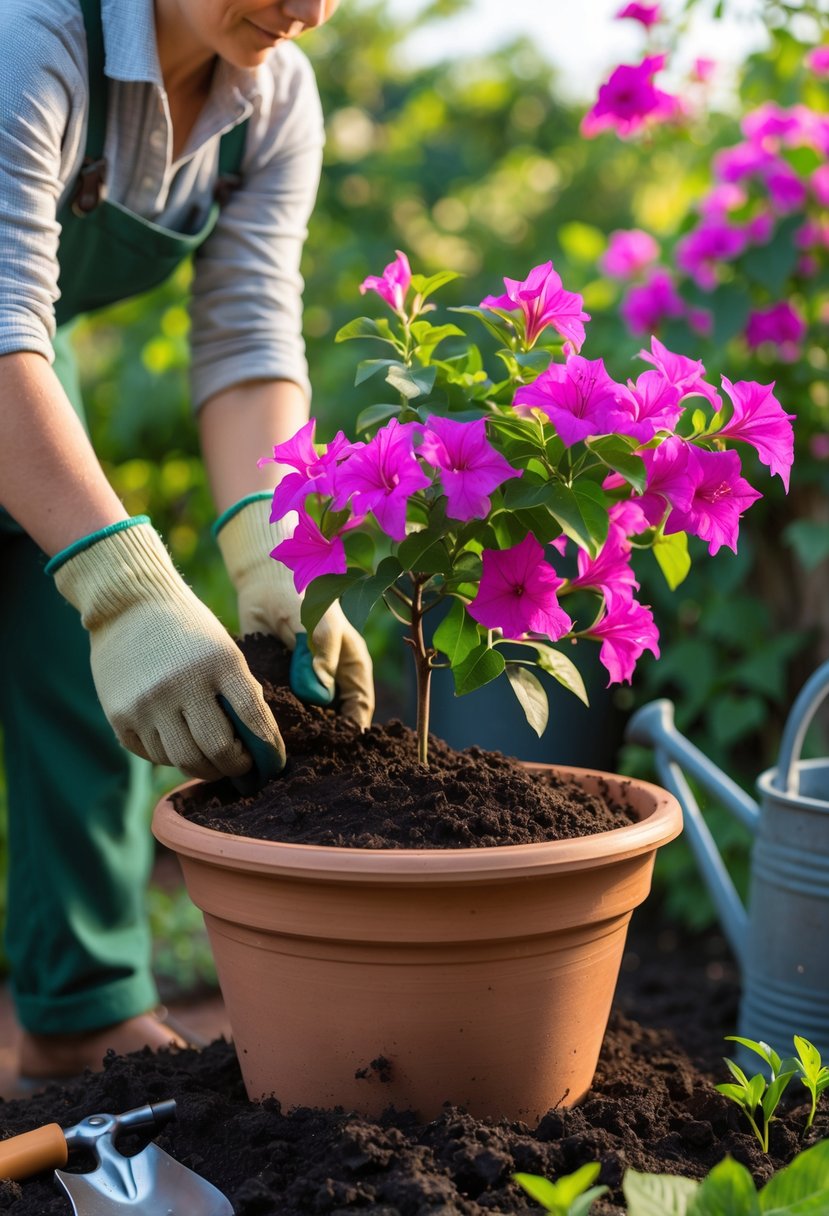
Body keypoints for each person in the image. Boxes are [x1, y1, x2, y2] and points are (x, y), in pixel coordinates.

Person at [0, 0, 373, 1089]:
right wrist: (124, 586)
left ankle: (84, 1011)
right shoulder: (33, 34)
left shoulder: (268, 99)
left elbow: (249, 336)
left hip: (19, 357)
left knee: (73, 654)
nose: (305, 9)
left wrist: (281, 556)